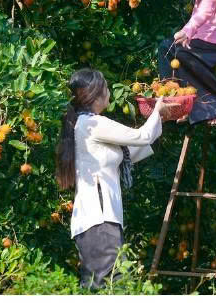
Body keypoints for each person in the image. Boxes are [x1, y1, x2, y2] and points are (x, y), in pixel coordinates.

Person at [55, 68, 172, 289]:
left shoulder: (84, 124)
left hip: (98, 222)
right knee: (113, 284)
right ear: (96, 94)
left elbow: (130, 152)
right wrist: (157, 109)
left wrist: (161, 120)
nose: (109, 92)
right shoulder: (93, 124)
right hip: (99, 220)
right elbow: (141, 136)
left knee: (99, 285)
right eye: (107, 87)